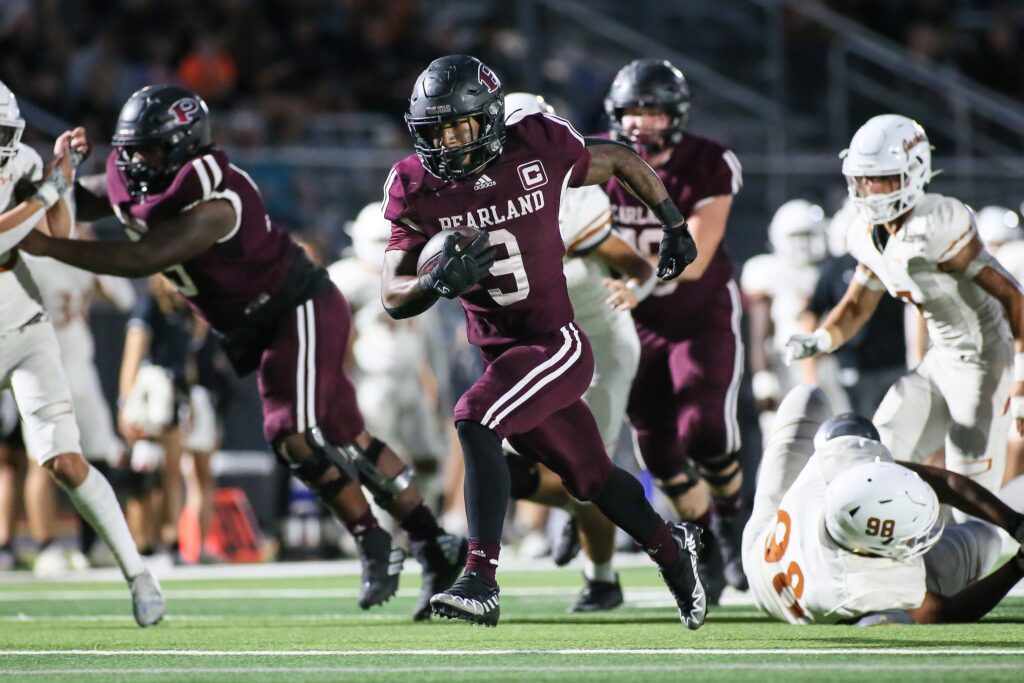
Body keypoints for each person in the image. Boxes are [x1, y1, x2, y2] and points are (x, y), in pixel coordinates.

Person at [20, 84, 465, 621]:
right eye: (131, 149)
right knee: (346, 434)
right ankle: (434, 543)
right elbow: (82, 194)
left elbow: (145, 258)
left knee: (289, 432)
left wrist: (45, 244)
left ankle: (372, 539)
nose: (137, 162)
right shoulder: (143, 178)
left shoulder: (213, 198)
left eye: (152, 150)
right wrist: (43, 179)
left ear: (184, 147)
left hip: (294, 306)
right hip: (260, 321)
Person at [381, 54, 705, 629]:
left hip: (556, 344)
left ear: (491, 119)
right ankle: (675, 553)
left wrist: (673, 222)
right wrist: (432, 281)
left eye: (460, 126)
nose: (449, 143)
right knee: (591, 478)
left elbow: (619, 158)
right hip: (501, 355)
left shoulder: (537, 143)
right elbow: (393, 292)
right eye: (437, 131)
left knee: (474, 417)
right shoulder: (414, 184)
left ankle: (480, 576)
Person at [785, 115, 1024, 500]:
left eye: (880, 179)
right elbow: (856, 306)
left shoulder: (939, 221)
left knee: (973, 494)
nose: (869, 190)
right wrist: (821, 338)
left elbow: (1013, 296)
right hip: (940, 360)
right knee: (875, 457)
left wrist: (1021, 377)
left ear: (913, 172)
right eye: (863, 180)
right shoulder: (866, 232)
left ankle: (995, 547)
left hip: (985, 362)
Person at [0, 81, 163, 625]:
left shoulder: (19, 158)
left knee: (65, 460)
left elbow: (55, 232)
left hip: (24, 324)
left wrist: (60, 184)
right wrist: (51, 187)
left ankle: (137, 571)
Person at [501, 92, 655, 613]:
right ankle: (579, 510)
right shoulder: (482, 195)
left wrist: (637, 289)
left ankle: (603, 579)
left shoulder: (570, 197)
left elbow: (636, 265)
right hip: (542, 346)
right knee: (504, 464)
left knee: (591, 472)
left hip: (597, 347)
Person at [601, 58, 746, 599]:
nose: (641, 123)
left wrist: (636, 281)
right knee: (658, 452)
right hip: (629, 321)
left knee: (703, 428)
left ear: (676, 116)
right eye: (633, 111)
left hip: (696, 314)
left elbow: (698, 257)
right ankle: (705, 542)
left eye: (654, 112)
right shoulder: (596, 161)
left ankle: (733, 521)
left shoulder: (708, 162)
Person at [743, 384, 1024, 625]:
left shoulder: (843, 471)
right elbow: (945, 611)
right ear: (877, 549)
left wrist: (1016, 523)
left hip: (765, 543)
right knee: (986, 540)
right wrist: (1017, 567)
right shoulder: (861, 587)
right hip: (808, 584)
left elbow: (942, 483)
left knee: (811, 399)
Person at [22, 227, 136, 569]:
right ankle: (46, 546)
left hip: (81, 367)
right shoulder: (30, 258)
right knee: (43, 458)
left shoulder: (81, 258)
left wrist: (94, 260)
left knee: (99, 453)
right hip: (42, 366)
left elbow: (124, 298)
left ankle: (93, 543)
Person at [798, 198, 909, 419]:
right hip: (852, 364)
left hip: (895, 361)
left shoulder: (900, 258)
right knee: (854, 430)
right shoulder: (838, 267)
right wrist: (814, 348)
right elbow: (849, 309)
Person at [741, 199, 829, 433]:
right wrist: (762, 377)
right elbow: (759, 332)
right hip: (784, 365)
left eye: (807, 235)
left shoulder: (829, 271)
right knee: (780, 441)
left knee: (837, 438)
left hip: (827, 366)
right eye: (795, 236)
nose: (801, 244)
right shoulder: (766, 270)